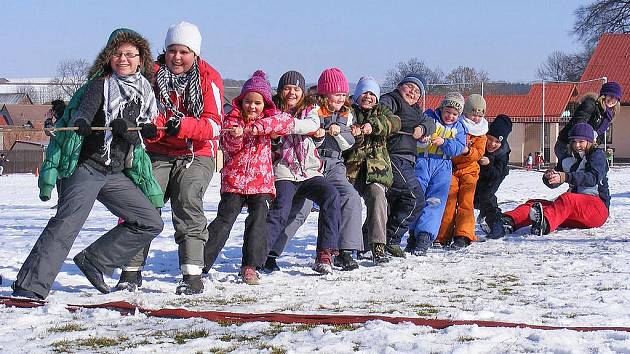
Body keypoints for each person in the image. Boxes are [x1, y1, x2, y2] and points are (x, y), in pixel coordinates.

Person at [12, 28, 164, 300]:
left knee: (149, 221)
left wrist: (141, 130)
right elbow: (84, 111)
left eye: (130, 54)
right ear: (108, 57)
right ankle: (30, 286)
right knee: (67, 224)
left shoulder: (144, 92)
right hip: (86, 167)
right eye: (117, 53)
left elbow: (141, 128)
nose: (124, 59)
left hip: (115, 172)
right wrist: (82, 123)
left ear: (141, 59)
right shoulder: (100, 85)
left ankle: (95, 261)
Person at [117, 22, 224, 295]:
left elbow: (213, 125)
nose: (177, 57)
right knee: (142, 200)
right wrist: (152, 126)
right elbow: (139, 110)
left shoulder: (208, 78)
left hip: (196, 151)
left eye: (183, 52)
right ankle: (130, 269)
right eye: (171, 51)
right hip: (159, 149)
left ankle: (192, 273)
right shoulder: (152, 76)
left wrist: (183, 125)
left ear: (195, 54)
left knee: (187, 198)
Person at [202, 71, 294, 285]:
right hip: (234, 182)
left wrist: (255, 127)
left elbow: (286, 122)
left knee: (257, 222)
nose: (252, 107)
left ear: (265, 104)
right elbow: (228, 146)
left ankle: (250, 266)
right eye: (248, 102)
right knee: (224, 221)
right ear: (241, 101)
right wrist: (237, 135)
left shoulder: (271, 119)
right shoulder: (231, 119)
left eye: (257, 103)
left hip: (260, 183)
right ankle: (201, 262)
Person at [264, 70, 341, 274]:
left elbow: (312, 125)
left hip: (308, 171)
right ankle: (263, 254)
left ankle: (325, 253)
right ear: (280, 91)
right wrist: (275, 135)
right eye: (287, 88)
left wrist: (287, 126)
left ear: (302, 92)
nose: (292, 93)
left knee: (331, 195)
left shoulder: (310, 109)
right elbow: (272, 135)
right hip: (284, 170)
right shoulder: (271, 110)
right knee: (281, 208)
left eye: (296, 89)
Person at [497, 123, 609, 236]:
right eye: (574, 141)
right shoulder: (569, 159)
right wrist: (549, 177)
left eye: (581, 141)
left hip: (597, 209)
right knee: (535, 205)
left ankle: (544, 224)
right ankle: (507, 222)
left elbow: (593, 177)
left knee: (567, 199)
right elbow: (555, 181)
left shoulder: (597, 155)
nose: (577, 145)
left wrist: (565, 176)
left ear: (589, 142)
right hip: (577, 212)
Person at [344, 76, 401, 265]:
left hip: (376, 170)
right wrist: (356, 136)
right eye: (364, 93)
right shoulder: (348, 111)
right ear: (358, 95)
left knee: (378, 196)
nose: (368, 97)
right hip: (351, 169)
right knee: (347, 202)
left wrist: (373, 125)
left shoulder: (382, 111)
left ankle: (377, 245)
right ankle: (342, 247)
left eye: (372, 94)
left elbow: (394, 123)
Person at [379, 74, 436, 258]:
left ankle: (373, 242)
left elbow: (429, 122)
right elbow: (385, 116)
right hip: (392, 156)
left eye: (417, 91)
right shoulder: (391, 99)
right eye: (410, 87)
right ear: (399, 86)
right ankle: (391, 239)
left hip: (408, 160)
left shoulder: (416, 109)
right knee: (415, 199)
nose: (413, 92)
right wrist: (416, 127)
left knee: (394, 203)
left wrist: (424, 128)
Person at [407, 92, 467, 255]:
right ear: (441, 108)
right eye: (448, 111)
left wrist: (444, 142)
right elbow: (416, 134)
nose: (450, 116)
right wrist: (422, 138)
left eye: (455, 114)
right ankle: (413, 233)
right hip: (422, 162)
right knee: (416, 198)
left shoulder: (459, 127)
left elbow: (459, 147)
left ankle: (425, 237)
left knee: (435, 201)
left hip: (443, 166)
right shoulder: (428, 117)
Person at [436, 94, 488, 248]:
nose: (476, 118)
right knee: (449, 202)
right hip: (451, 169)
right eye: (473, 114)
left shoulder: (481, 132)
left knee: (466, 202)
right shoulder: (457, 126)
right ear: (465, 112)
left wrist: (467, 151)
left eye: (480, 115)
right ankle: (442, 235)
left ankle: (463, 234)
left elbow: (478, 153)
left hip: (470, 171)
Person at [554, 81, 622, 160]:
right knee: (571, 169)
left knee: (583, 170)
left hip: (583, 147)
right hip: (568, 145)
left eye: (616, 98)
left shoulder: (607, 115)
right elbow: (579, 123)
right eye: (610, 96)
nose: (612, 100)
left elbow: (601, 135)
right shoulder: (590, 105)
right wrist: (590, 137)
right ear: (603, 95)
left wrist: (595, 143)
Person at [474, 114, 513, 239]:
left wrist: (489, 164)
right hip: (476, 175)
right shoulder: (479, 142)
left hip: (494, 177)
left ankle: (496, 225)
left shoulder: (503, 152)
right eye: (490, 139)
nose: (492, 144)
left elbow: (497, 173)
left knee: (486, 197)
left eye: (497, 142)